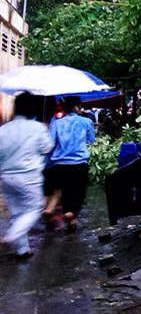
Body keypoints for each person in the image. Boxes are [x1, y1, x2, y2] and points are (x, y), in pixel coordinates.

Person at [0, 94, 53, 259]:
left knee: (17, 213)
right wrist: (44, 128)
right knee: (34, 208)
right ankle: (12, 235)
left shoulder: (3, 129)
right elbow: (47, 148)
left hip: (7, 177)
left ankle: (22, 250)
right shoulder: (37, 127)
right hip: (29, 177)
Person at [43, 96, 95, 232]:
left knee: (62, 190)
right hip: (79, 163)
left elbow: (51, 144)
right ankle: (70, 213)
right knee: (78, 192)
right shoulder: (86, 121)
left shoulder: (56, 123)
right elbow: (91, 140)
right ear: (76, 107)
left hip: (59, 164)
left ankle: (67, 219)